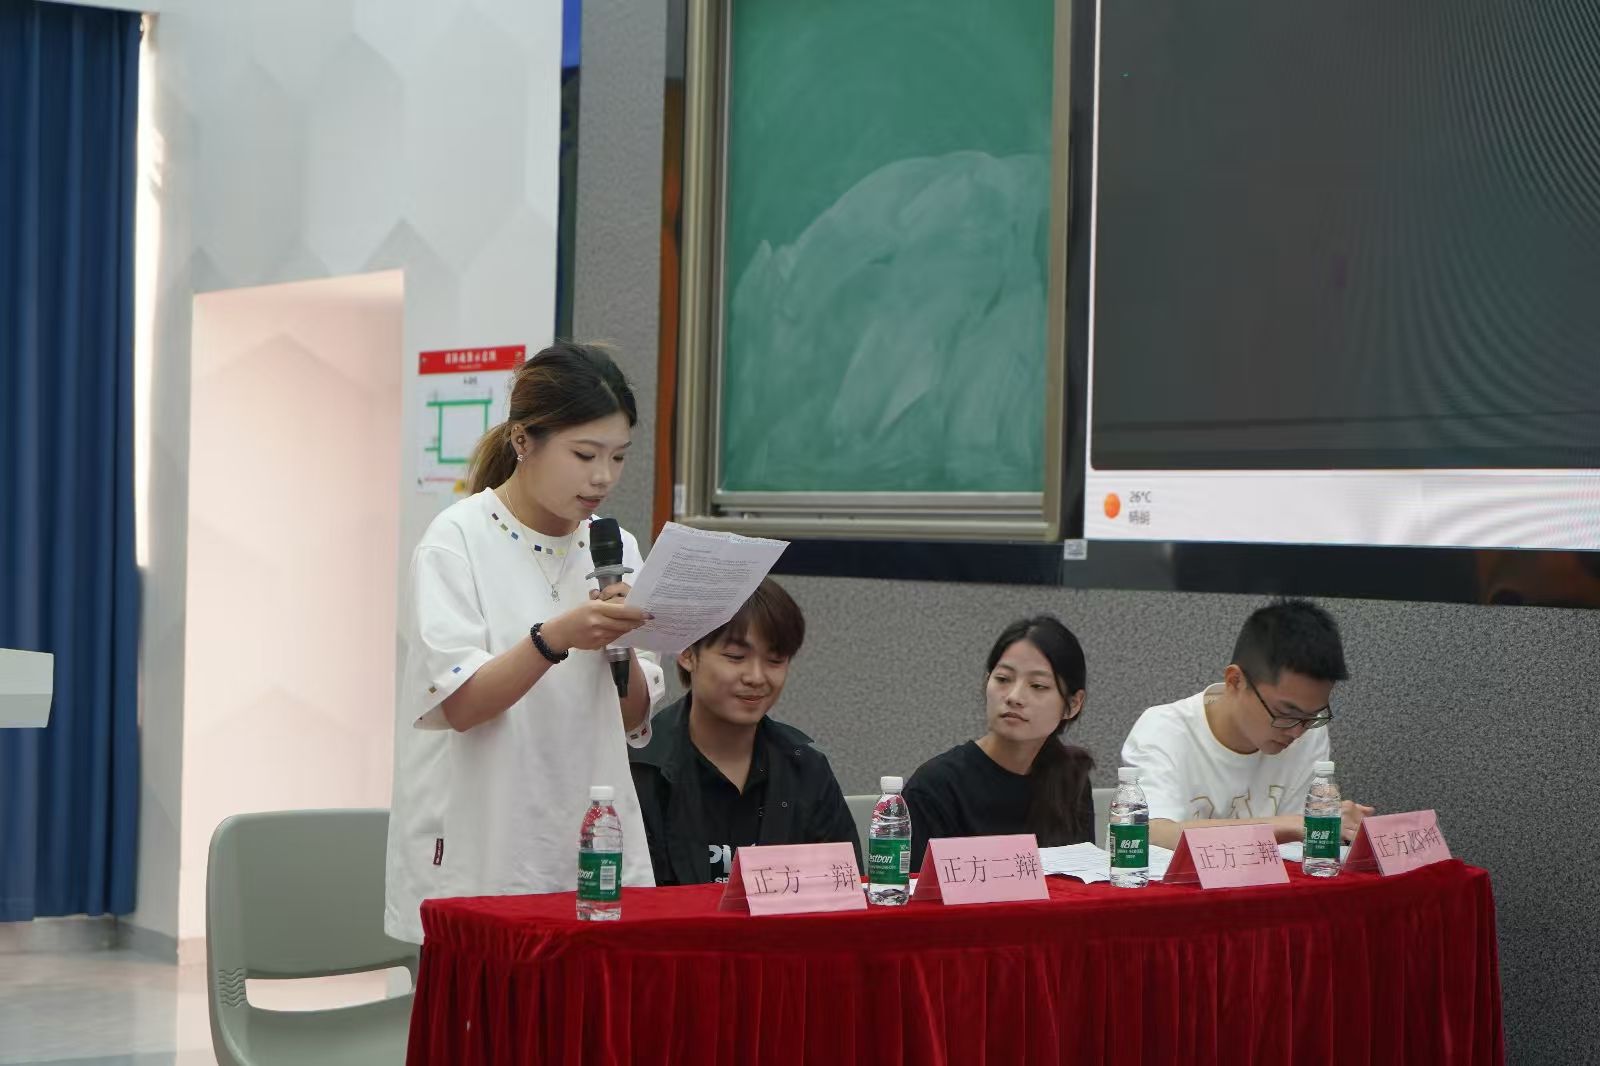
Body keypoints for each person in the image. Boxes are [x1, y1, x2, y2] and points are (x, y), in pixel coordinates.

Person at [384, 341, 665, 944]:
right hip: (484, 846)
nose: (603, 476)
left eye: (619, 456)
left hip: (589, 840)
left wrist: (620, 649)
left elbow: (631, 716)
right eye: (584, 454)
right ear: (523, 440)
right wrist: (555, 637)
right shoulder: (456, 540)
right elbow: (460, 705)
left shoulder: (616, 548)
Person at [628, 578, 859, 885]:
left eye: (775, 660)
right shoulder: (639, 770)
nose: (756, 677)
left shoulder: (805, 769)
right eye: (736, 657)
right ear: (688, 653)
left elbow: (845, 889)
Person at [1120, 598, 1374, 852]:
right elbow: (1149, 833)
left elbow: (1299, 847)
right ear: (1235, 681)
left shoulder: (1310, 733)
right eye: (1285, 713)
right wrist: (1289, 824)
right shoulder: (1163, 729)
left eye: (1312, 716)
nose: (1297, 731)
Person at [903, 615, 1095, 872]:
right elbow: (915, 891)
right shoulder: (936, 787)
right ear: (987, 682)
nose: (1014, 697)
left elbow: (1083, 884)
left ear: (1073, 704)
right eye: (1003, 679)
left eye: (1038, 685)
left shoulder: (1071, 779)